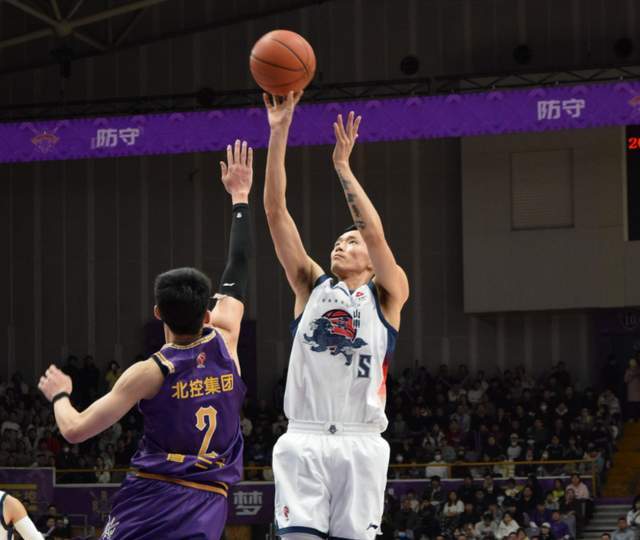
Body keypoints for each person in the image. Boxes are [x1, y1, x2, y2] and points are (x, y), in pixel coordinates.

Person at [37, 140, 253, 540]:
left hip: (150, 498)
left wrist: (60, 395)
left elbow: (75, 430)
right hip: (209, 503)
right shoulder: (226, 339)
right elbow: (238, 265)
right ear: (207, 314)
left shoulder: (150, 372)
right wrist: (240, 197)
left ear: (157, 314)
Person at [263, 91, 410, 540]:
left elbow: (374, 234)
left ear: (371, 261)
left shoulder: (387, 293)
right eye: (337, 242)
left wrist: (343, 167)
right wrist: (279, 132)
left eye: (350, 242)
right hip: (303, 436)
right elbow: (276, 212)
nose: (341, 245)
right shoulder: (311, 285)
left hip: (360, 441)